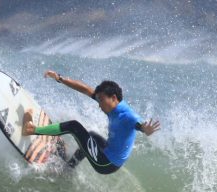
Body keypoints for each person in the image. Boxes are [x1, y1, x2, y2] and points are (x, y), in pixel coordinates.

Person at [22, 70, 160, 174]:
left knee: (74, 126)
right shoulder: (112, 105)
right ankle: (68, 170)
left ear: (113, 98)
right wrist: (59, 78)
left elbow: (139, 125)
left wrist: (146, 129)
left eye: (101, 100)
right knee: (92, 135)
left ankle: (31, 129)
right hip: (109, 152)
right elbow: (86, 89)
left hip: (106, 164)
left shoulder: (127, 116)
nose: (99, 104)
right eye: (98, 99)